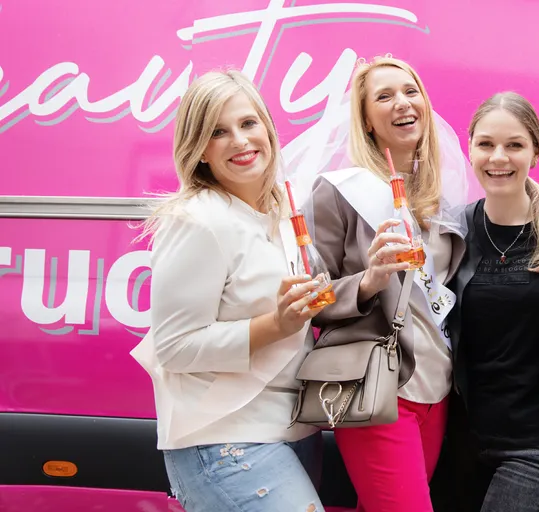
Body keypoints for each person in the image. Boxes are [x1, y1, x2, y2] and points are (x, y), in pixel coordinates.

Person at [130, 69, 327, 512]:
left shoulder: (277, 212)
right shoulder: (197, 220)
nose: (240, 140)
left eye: (248, 123)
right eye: (218, 132)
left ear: (268, 128)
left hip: (290, 429)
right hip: (224, 438)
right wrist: (276, 324)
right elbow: (176, 347)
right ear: (199, 148)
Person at [303, 55, 470, 512]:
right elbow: (311, 299)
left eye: (410, 91)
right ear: (367, 120)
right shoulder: (339, 191)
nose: (402, 103)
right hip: (377, 387)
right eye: (385, 96)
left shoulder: (441, 196)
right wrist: (370, 280)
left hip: (436, 388)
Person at [445, 92, 539, 512]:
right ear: (470, 150)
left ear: (535, 151)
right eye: (485, 144)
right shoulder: (454, 230)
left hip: (536, 442)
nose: (498, 157)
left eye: (514, 145)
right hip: (462, 441)